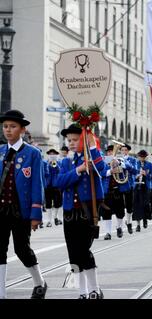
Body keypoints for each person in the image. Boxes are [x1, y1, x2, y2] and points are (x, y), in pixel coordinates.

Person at [0, 110, 47, 299]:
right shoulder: (1, 151)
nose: (8, 130)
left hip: (22, 210)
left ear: (22, 129)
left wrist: (36, 214)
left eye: (12, 127)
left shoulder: (33, 153)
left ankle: (39, 283)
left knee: (22, 249)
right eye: (5, 127)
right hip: (1, 208)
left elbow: (38, 183)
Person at [55, 123, 105, 299]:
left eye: (75, 139)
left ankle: (95, 290)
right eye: (69, 140)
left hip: (87, 213)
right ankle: (82, 292)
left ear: (83, 140)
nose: (71, 143)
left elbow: (102, 169)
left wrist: (92, 146)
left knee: (84, 251)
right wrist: (78, 170)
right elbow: (59, 182)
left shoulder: (92, 158)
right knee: (73, 254)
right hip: (70, 214)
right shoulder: (66, 162)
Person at [44, 148, 63, 227]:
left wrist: (55, 164)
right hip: (48, 186)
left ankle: (55, 218)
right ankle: (49, 221)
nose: (52, 155)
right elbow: (45, 172)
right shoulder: (45, 163)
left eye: (53, 154)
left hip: (56, 186)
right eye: (50, 154)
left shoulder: (59, 162)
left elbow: (60, 171)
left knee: (57, 203)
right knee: (48, 203)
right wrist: (49, 164)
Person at [133, 150, 152, 230]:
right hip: (137, 186)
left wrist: (146, 174)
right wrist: (137, 176)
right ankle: (138, 224)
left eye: (143, 157)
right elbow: (131, 174)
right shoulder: (135, 164)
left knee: (145, 204)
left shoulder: (149, 164)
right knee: (137, 205)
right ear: (138, 157)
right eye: (141, 157)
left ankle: (145, 219)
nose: (142, 158)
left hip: (145, 187)